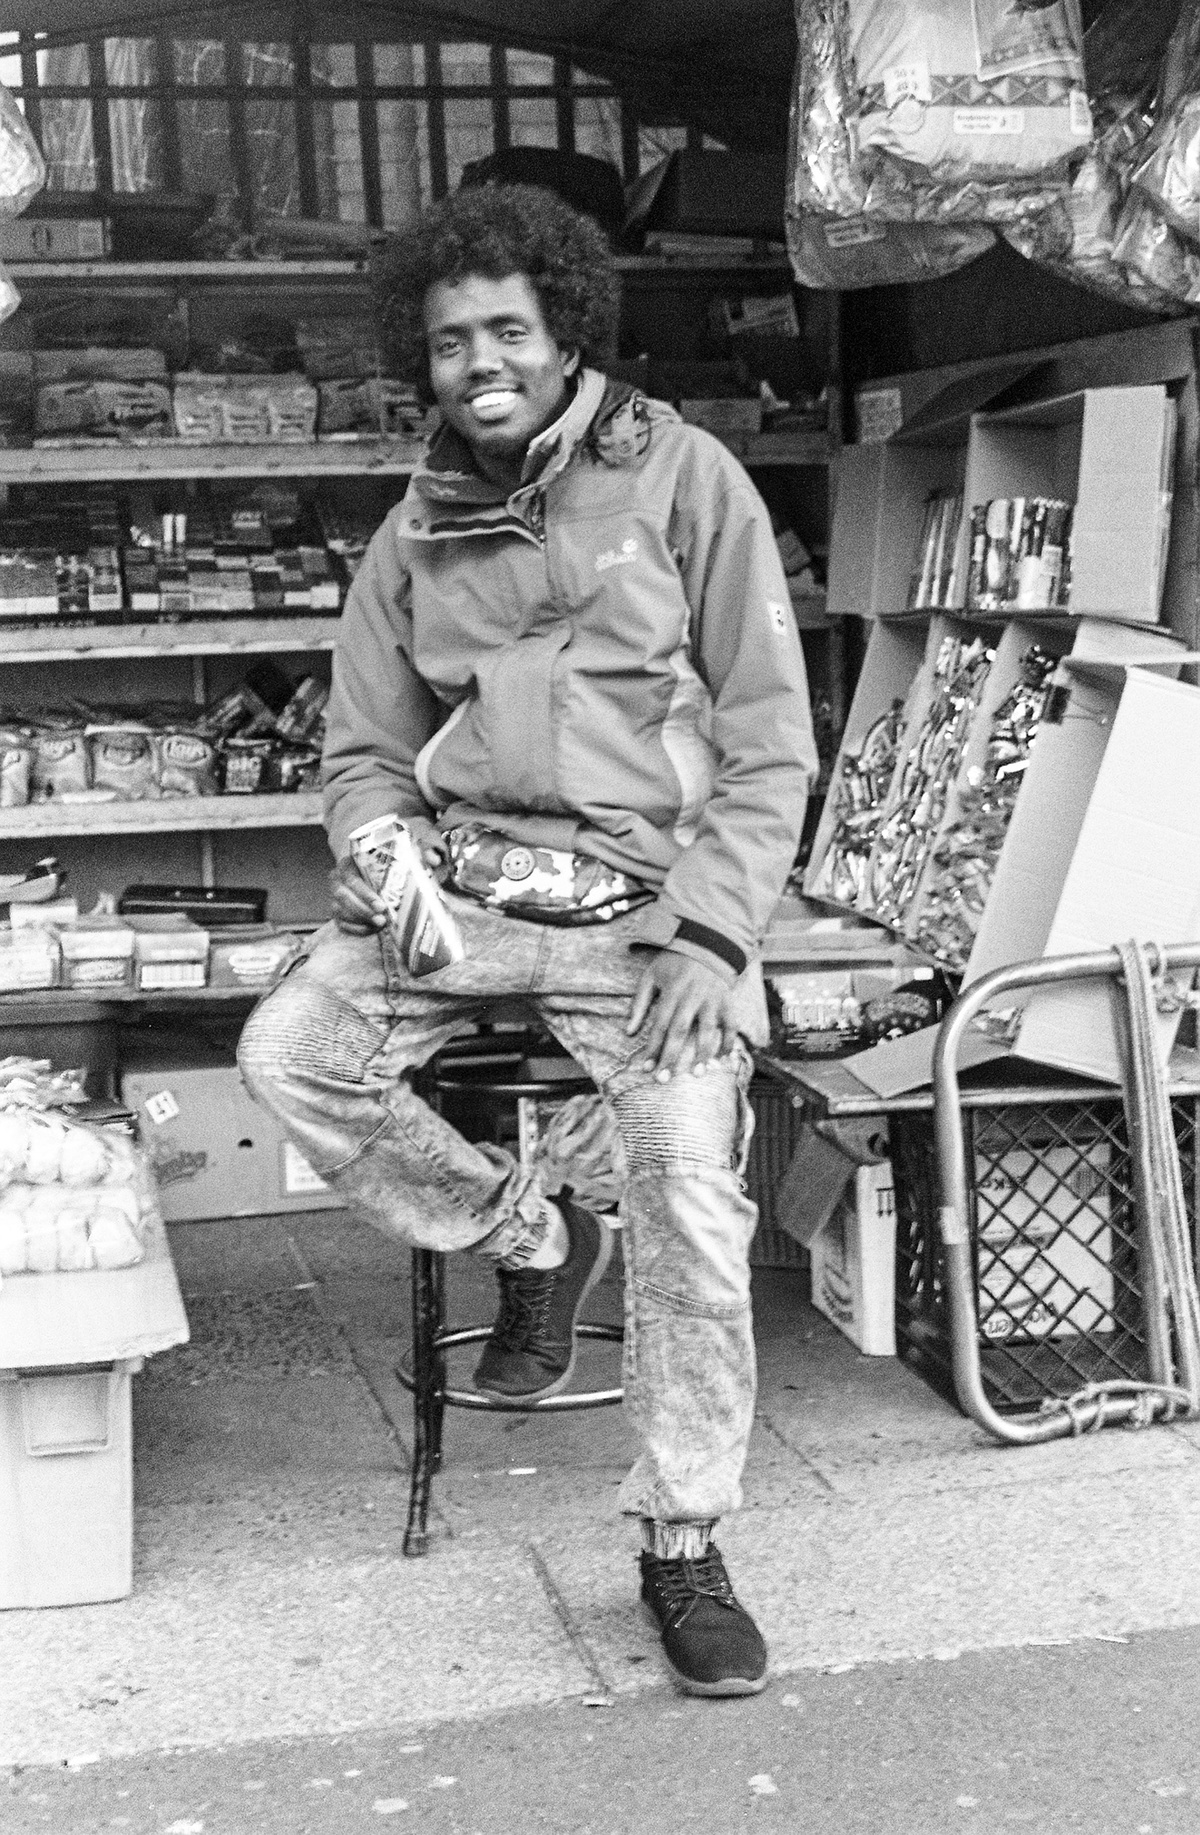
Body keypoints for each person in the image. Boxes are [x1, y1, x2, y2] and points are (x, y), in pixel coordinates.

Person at [238, 183, 817, 1698]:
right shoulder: (411, 530)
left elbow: (767, 744)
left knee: (692, 1188)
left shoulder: (685, 483)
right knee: (288, 1050)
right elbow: (363, 747)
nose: (479, 359)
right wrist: (378, 848)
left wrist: (711, 935)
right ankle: (529, 1235)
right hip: (465, 896)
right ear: (420, 363)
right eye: (447, 341)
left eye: (507, 328)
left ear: (566, 334)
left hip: (644, 913)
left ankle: (681, 1541)